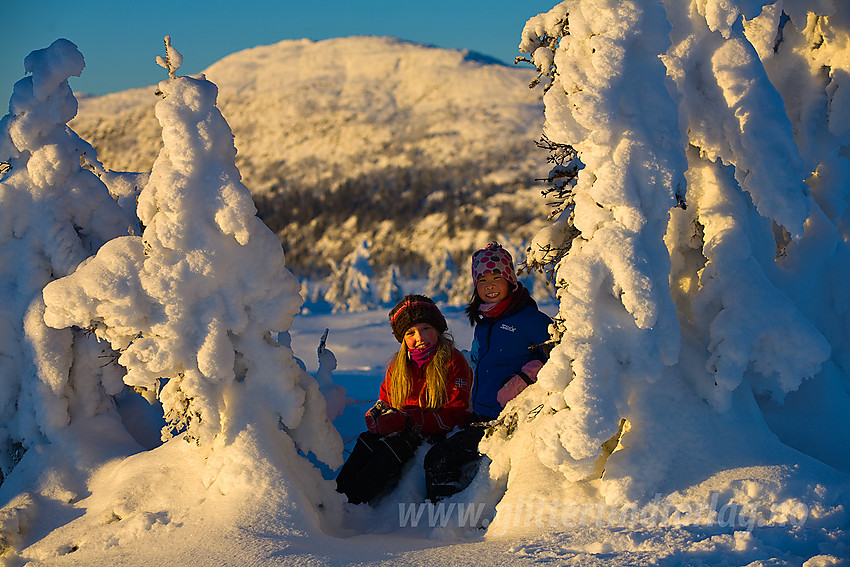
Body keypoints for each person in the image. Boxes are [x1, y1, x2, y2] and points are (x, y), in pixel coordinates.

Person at [423, 242, 552, 501]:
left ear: (510, 281)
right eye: (482, 280)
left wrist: (525, 377)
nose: (489, 285)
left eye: (496, 277)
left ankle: (444, 515)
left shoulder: (530, 320)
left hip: (506, 420)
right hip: (481, 414)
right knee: (436, 446)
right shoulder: (486, 321)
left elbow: (560, 355)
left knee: (439, 459)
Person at [335, 294, 472, 505]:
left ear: (437, 328)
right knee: (367, 440)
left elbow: (454, 414)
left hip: (436, 433)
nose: (420, 337)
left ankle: (354, 502)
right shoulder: (398, 367)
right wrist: (377, 416)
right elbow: (386, 401)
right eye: (410, 333)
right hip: (405, 428)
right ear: (403, 339)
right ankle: (337, 495)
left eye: (426, 328)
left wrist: (410, 420)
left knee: (391, 448)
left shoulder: (453, 361)